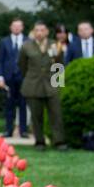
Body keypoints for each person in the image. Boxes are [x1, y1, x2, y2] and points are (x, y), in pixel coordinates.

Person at [20, 21, 67, 150]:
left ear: (47, 31)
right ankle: (39, 142)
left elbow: (60, 66)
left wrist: (58, 85)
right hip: (33, 85)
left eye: (42, 30)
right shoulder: (26, 46)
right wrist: (30, 78)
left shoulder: (55, 45)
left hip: (51, 84)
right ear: (33, 32)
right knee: (36, 116)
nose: (39, 32)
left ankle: (59, 142)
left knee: (56, 115)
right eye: (37, 30)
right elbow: (22, 66)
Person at [0, 18, 29, 138]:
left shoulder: (28, 41)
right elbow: (0, 60)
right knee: (9, 104)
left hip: (23, 77)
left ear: (22, 27)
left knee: (23, 104)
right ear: (10, 27)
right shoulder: (4, 41)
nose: (16, 28)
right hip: (9, 77)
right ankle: (8, 130)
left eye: (18, 26)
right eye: (14, 26)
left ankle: (23, 130)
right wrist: (0, 76)